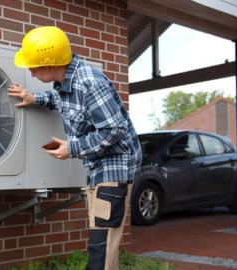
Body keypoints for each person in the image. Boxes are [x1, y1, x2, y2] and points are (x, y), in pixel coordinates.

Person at [8, 26, 142, 270]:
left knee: (101, 245)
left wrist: (72, 147)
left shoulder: (89, 82)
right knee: (102, 241)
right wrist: (34, 98)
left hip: (115, 167)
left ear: (50, 64)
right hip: (98, 167)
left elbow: (114, 129)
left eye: (34, 67)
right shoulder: (67, 81)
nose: (31, 71)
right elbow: (62, 101)